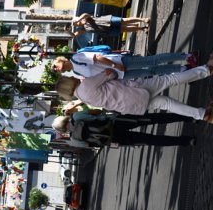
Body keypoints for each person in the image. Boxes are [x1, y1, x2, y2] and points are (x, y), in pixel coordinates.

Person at [55, 57, 213, 121]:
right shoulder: (86, 84)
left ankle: (201, 114)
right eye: (69, 78)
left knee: (166, 104)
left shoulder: (82, 97)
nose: (71, 76)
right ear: (68, 82)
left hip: (132, 104)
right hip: (134, 89)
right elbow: (110, 73)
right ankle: (206, 70)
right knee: (168, 80)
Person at [52, 111, 198, 148]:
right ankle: (188, 117)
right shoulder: (76, 116)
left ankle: (186, 141)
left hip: (113, 139)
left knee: (150, 140)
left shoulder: (73, 140)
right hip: (116, 122)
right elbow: (96, 112)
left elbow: (90, 145)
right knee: (152, 119)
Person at [51, 51, 197, 79]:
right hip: (120, 75)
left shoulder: (76, 58)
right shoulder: (76, 73)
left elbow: (98, 57)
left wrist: (115, 66)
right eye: (55, 70)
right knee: (151, 72)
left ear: (60, 60)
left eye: (54, 66)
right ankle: (182, 68)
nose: (56, 69)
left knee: (151, 61)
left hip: (120, 63)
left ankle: (186, 56)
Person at [70, 13, 149, 38]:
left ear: (77, 19)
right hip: (106, 31)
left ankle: (143, 20)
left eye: (76, 23)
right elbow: (74, 35)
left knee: (125, 21)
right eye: (75, 25)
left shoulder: (85, 18)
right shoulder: (84, 29)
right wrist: (67, 31)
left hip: (108, 20)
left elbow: (85, 14)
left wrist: (79, 19)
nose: (77, 25)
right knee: (125, 29)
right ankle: (142, 28)